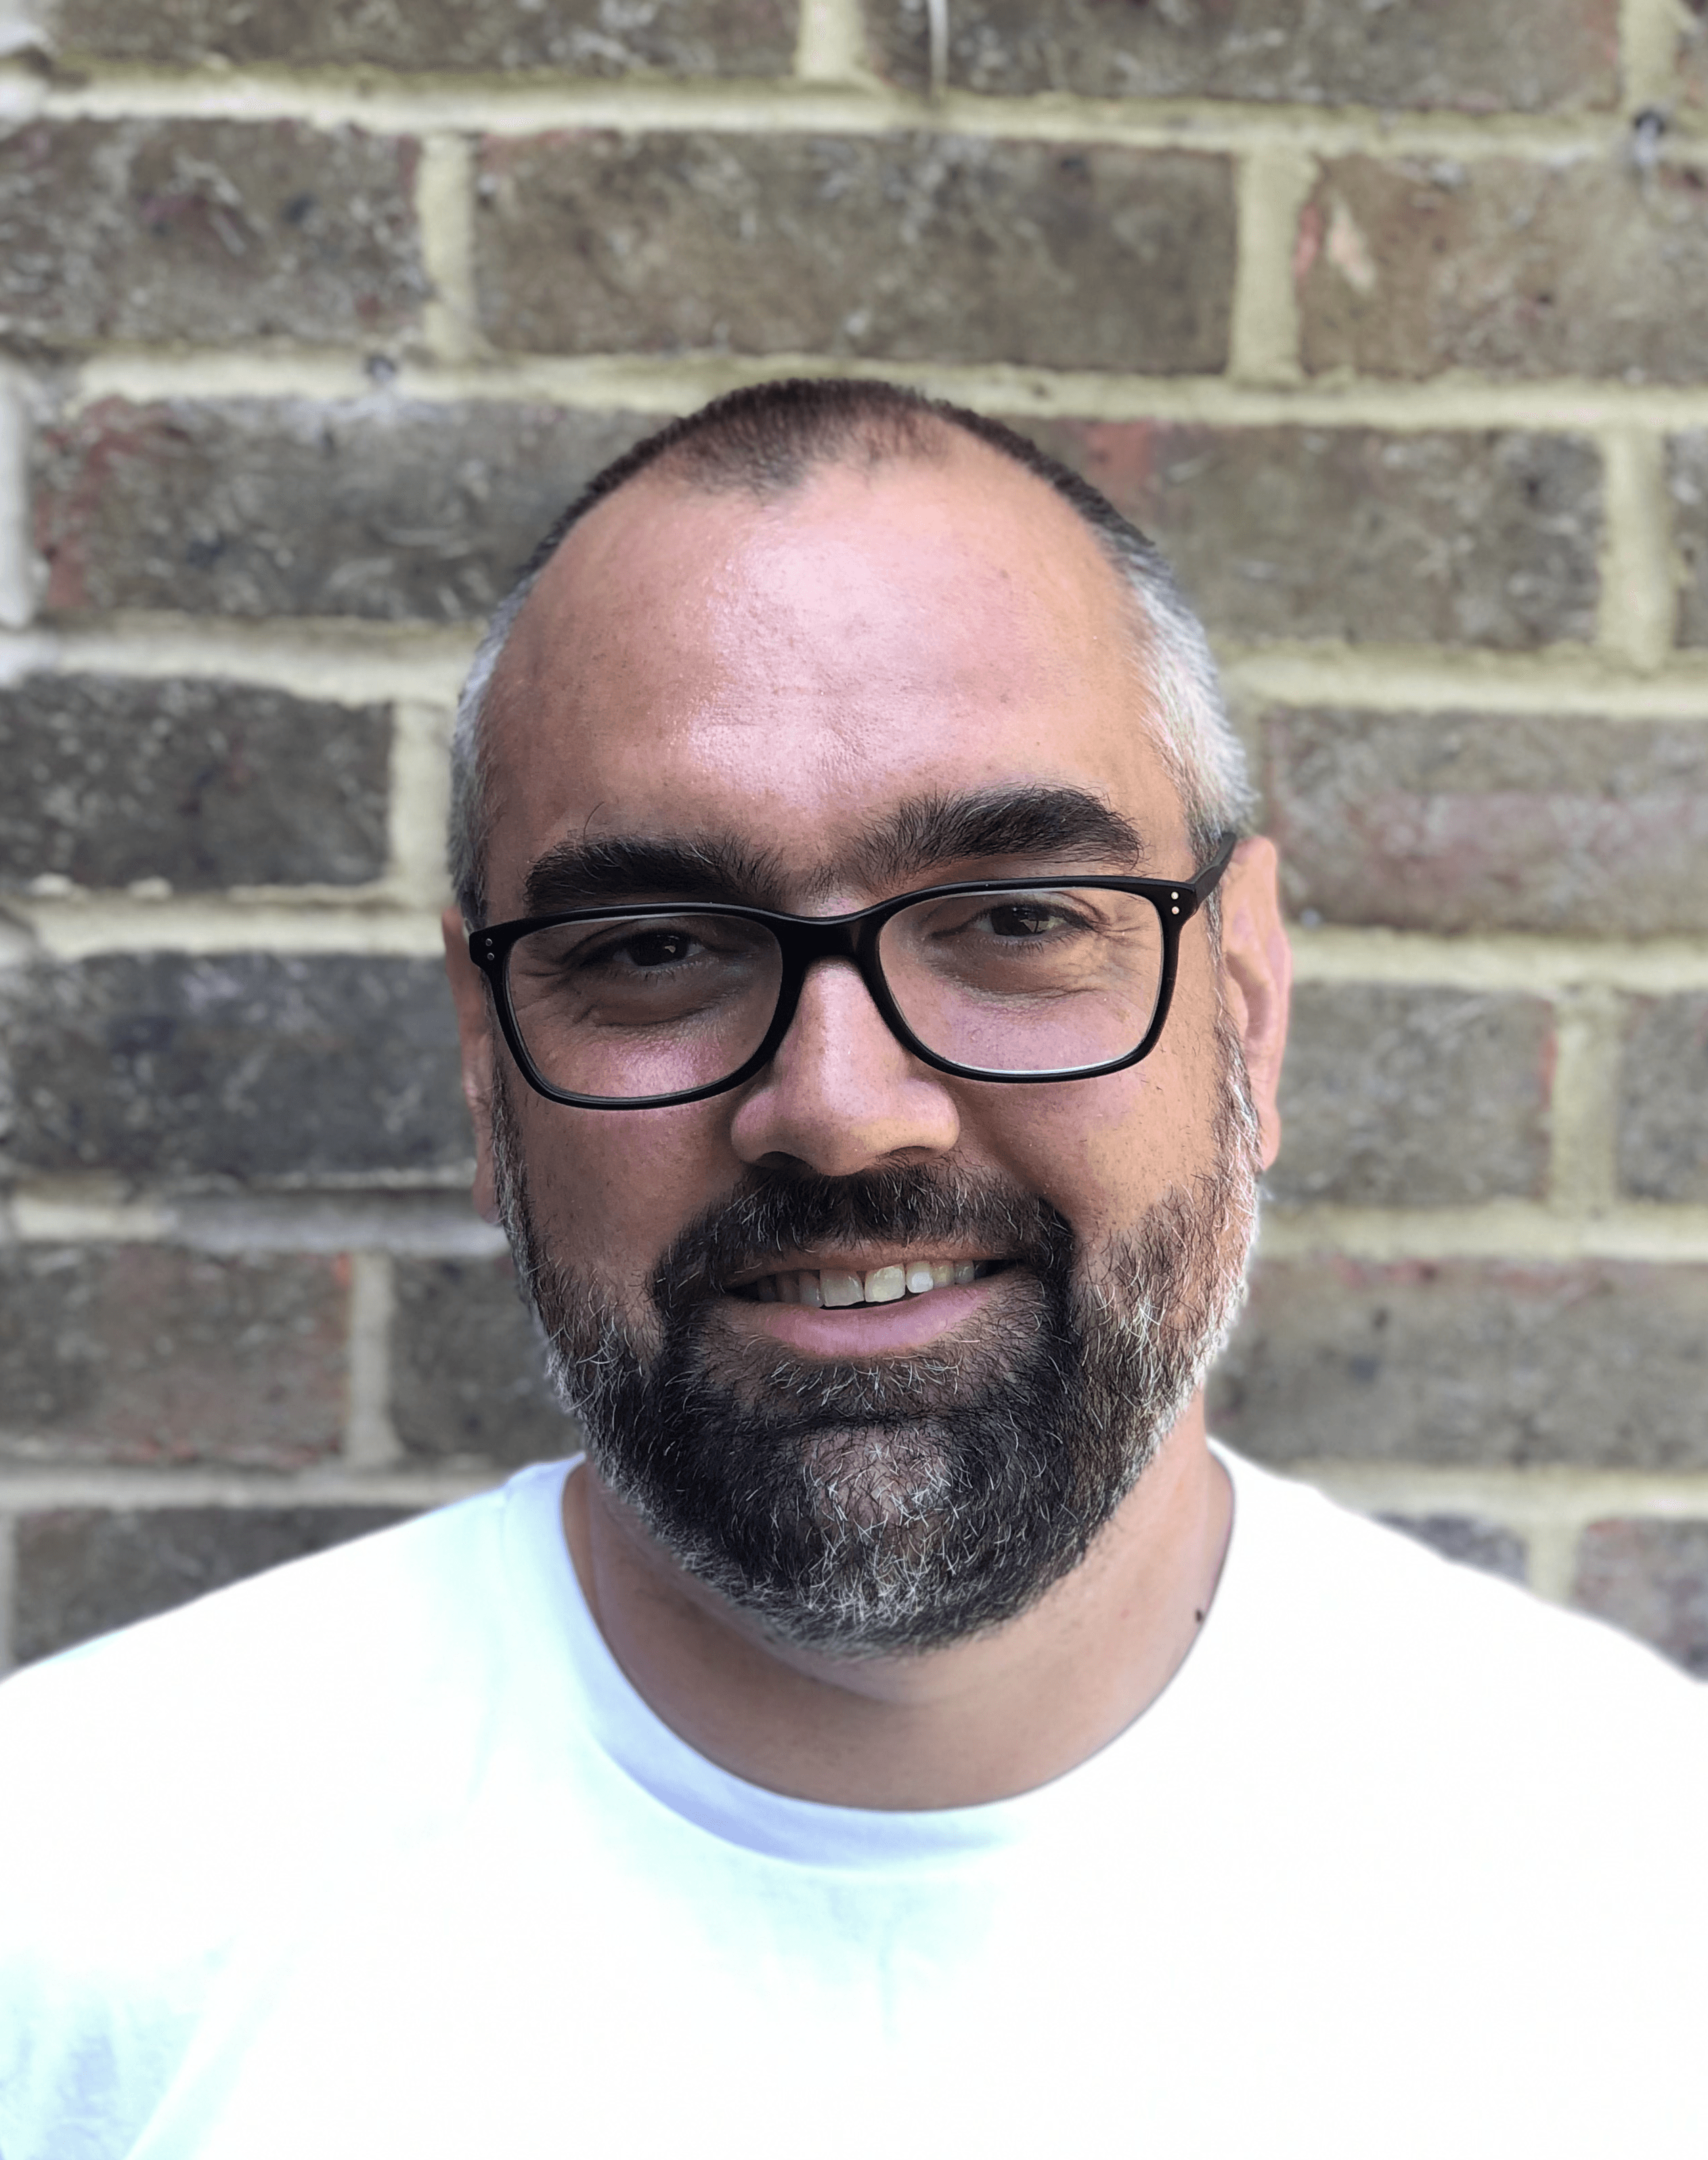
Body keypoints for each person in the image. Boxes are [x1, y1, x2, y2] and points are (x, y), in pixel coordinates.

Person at [1, 379, 1703, 2160]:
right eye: (655, 944)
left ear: (1249, 1007)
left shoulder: (1643, 1907)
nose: (839, 1110)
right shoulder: (76, 1918)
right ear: (483, 1059)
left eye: (1018, 917)